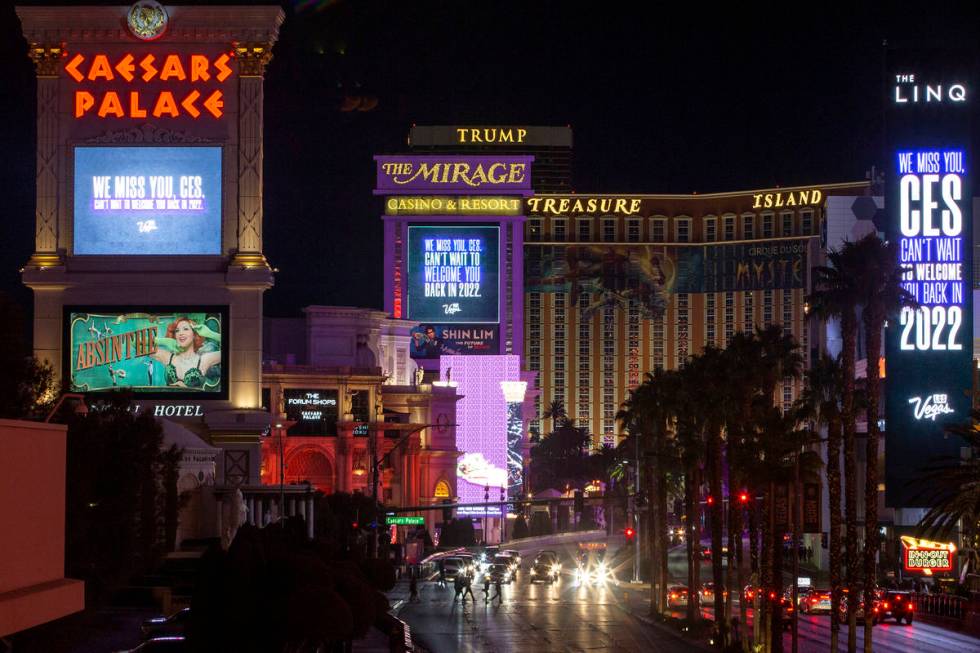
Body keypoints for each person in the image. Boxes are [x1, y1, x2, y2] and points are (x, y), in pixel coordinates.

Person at [151, 316, 221, 389]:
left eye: (185, 329)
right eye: (177, 330)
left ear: (194, 335)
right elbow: (139, 345)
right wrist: (161, 341)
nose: (180, 333)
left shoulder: (204, 360)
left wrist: (210, 334)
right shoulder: (167, 357)